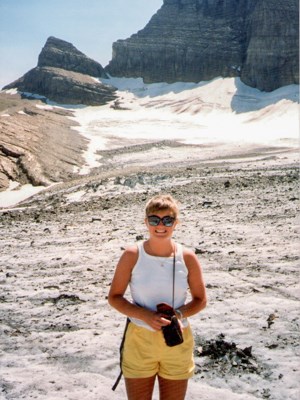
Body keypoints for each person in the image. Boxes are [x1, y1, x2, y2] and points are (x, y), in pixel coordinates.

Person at [108, 194, 207, 400]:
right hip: (139, 341)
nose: (160, 226)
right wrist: (145, 316)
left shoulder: (187, 257)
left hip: (176, 340)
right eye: (154, 220)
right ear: (146, 222)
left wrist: (177, 315)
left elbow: (200, 300)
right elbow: (115, 297)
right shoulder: (132, 255)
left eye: (167, 220)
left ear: (176, 223)